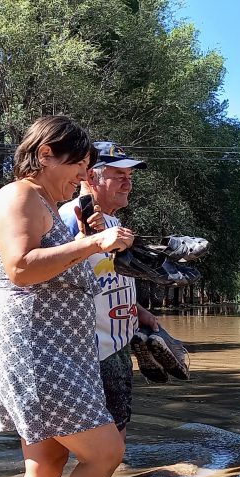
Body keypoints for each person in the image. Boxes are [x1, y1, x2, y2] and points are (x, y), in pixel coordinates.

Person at [0, 116, 134, 477]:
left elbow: (57, 267)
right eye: (78, 167)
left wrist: (90, 242)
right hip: (37, 353)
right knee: (105, 454)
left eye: (88, 168)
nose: (83, 177)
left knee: (47, 464)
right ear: (46, 154)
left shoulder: (45, 203)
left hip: (57, 353)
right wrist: (92, 244)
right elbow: (21, 268)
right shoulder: (19, 197)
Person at [59, 141, 162, 446]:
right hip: (88, 350)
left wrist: (137, 310)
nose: (128, 183)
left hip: (116, 344)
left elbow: (109, 276)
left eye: (130, 176)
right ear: (91, 177)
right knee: (104, 447)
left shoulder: (114, 223)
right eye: (119, 175)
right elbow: (53, 273)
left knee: (115, 435)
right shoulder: (71, 215)